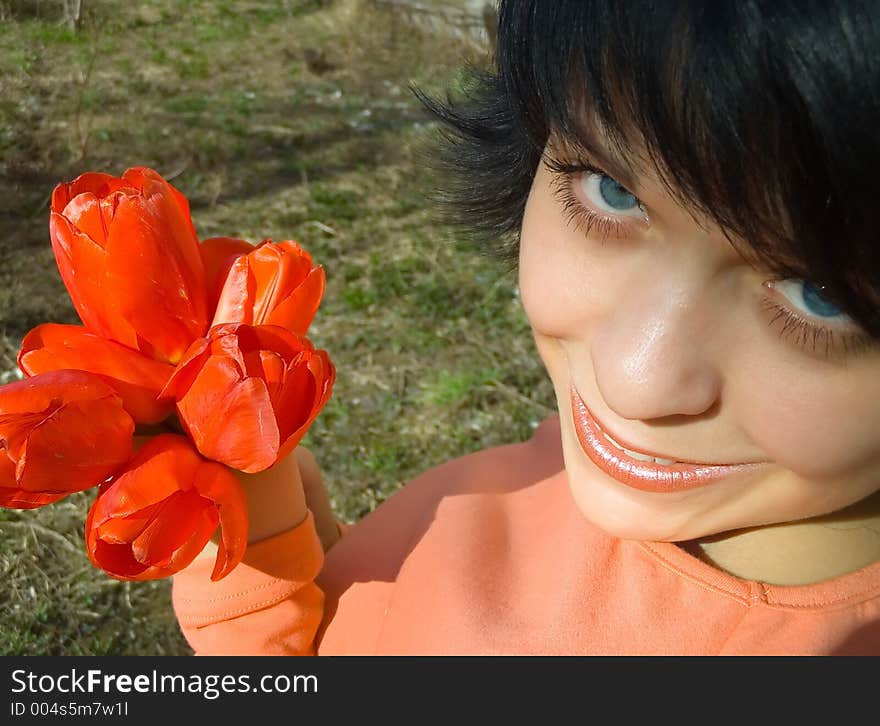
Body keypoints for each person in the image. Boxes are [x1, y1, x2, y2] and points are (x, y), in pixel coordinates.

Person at [171, 0, 880, 655]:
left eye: (820, 296)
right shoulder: (639, 473)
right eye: (613, 191)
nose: (634, 382)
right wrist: (277, 541)